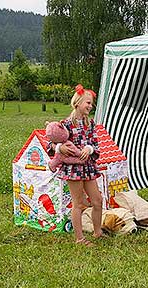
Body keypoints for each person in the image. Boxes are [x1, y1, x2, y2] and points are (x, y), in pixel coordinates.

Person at [49, 84, 103, 246]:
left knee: (97, 201)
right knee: (78, 203)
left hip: (87, 167)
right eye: (87, 102)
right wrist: (59, 147)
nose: (90, 106)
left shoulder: (90, 124)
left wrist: (89, 148)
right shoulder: (64, 124)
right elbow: (49, 144)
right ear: (78, 103)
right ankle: (80, 239)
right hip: (73, 169)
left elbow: (95, 143)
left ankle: (97, 232)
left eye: (91, 103)